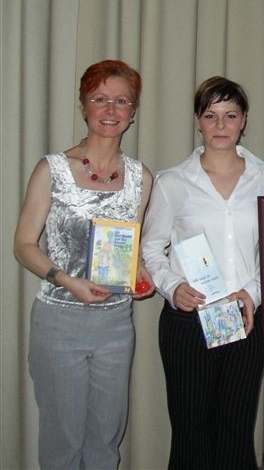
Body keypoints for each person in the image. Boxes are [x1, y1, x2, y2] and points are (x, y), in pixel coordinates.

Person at [13, 59, 155, 469]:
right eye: (100, 99)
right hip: (60, 320)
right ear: (83, 106)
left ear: (133, 112)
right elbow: (24, 245)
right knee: (62, 441)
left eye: (121, 101)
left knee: (105, 440)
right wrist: (64, 279)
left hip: (115, 323)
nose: (111, 111)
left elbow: (132, 250)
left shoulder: (141, 178)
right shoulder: (52, 169)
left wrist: (140, 273)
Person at [141, 76, 264, 469]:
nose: (220, 125)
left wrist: (254, 293)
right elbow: (151, 247)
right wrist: (172, 286)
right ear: (198, 120)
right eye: (211, 115)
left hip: (245, 317)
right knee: (190, 432)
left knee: (236, 430)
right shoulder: (172, 182)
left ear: (244, 120)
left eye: (230, 115)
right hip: (189, 321)